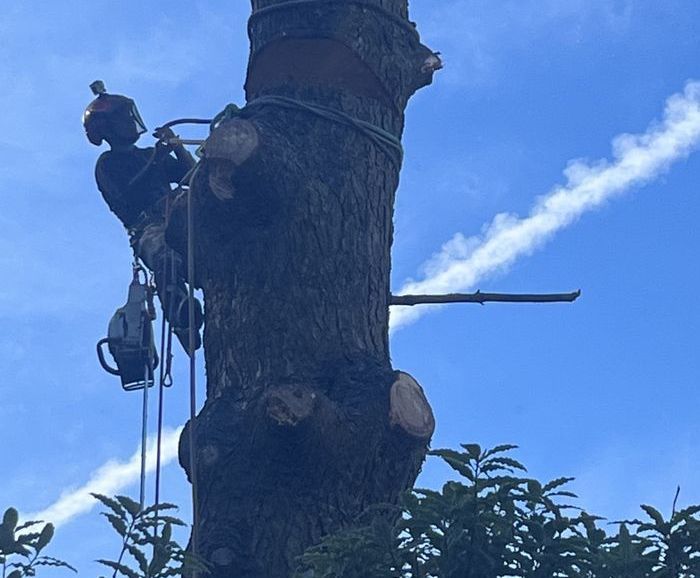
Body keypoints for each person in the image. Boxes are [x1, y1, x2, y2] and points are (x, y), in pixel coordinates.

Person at [83, 81, 203, 353]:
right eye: (124, 120)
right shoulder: (108, 165)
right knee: (164, 256)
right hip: (148, 226)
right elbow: (127, 194)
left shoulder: (149, 155)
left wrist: (177, 147)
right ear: (109, 129)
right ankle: (181, 314)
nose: (131, 123)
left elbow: (192, 176)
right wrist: (156, 162)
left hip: (180, 213)